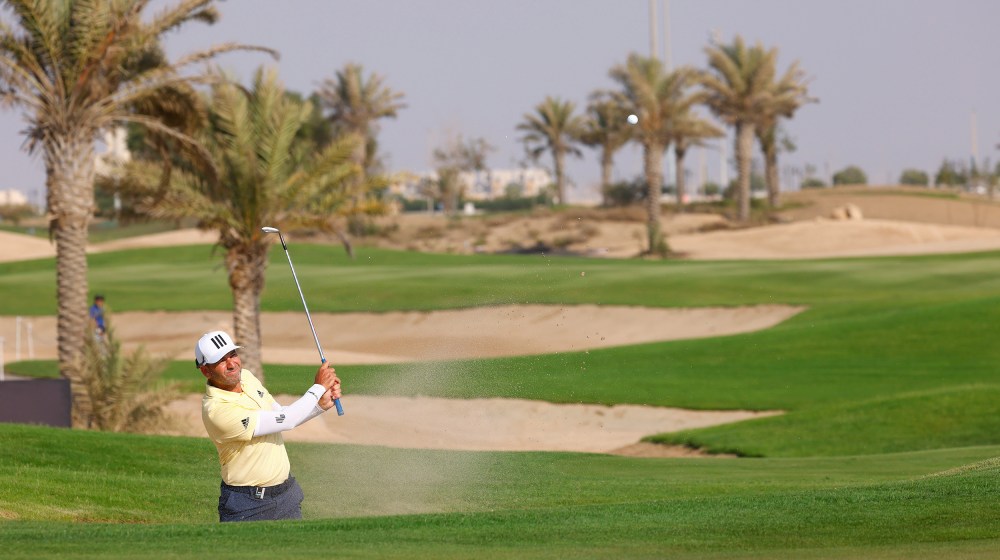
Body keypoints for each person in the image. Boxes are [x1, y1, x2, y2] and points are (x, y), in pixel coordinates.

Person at [195, 330, 341, 522]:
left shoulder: (246, 377)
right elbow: (286, 419)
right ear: (206, 370)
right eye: (221, 360)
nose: (232, 364)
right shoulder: (216, 410)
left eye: (233, 355)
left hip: (286, 495)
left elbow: (279, 415)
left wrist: (319, 406)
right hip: (247, 505)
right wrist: (318, 388)